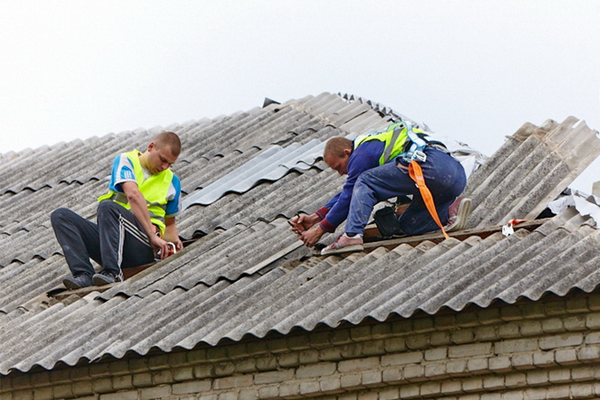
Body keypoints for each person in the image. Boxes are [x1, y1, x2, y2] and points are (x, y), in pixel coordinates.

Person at [289, 121, 471, 255]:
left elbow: (353, 190)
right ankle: (448, 210)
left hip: (430, 167)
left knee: (364, 181)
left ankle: (352, 235)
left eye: (338, 167)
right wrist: (316, 217)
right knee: (409, 225)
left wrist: (320, 230)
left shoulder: (361, 153)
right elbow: (349, 192)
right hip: (454, 176)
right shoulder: (370, 150)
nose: (340, 173)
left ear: (347, 153)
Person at [51, 131, 184, 289]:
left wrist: (170, 245)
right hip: (113, 242)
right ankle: (83, 275)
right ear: (151, 147)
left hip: (143, 245)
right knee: (61, 216)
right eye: (163, 160)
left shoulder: (172, 181)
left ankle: (113, 273)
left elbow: (170, 224)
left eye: (170, 164)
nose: (164, 167)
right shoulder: (126, 160)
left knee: (108, 208)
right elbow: (132, 194)